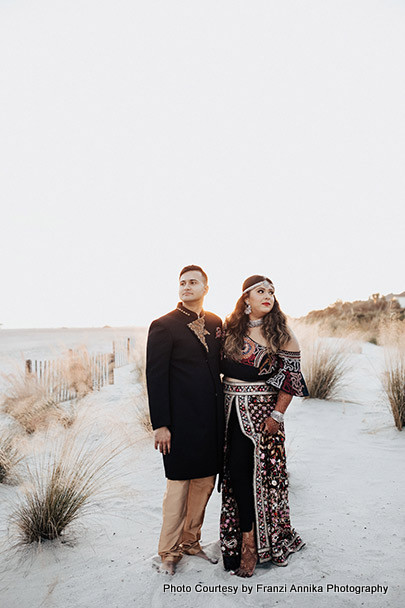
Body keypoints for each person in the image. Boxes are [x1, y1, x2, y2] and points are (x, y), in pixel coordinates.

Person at [220, 275, 308, 577]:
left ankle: (252, 546)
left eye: (271, 291)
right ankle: (241, 539)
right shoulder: (231, 330)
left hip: (262, 415)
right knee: (234, 473)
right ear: (246, 298)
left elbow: (292, 380)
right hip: (229, 410)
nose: (267, 295)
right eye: (260, 291)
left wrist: (277, 416)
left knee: (256, 476)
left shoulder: (282, 333)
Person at [146, 265, 224, 575]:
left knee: (204, 484)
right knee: (177, 486)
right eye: (182, 283)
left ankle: (192, 541)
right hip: (179, 423)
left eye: (193, 282)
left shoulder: (217, 322)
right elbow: (155, 377)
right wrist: (160, 424)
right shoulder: (163, 326)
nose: (186, 286)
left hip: (212, 420)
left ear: (206, 288)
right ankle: (168, 551)